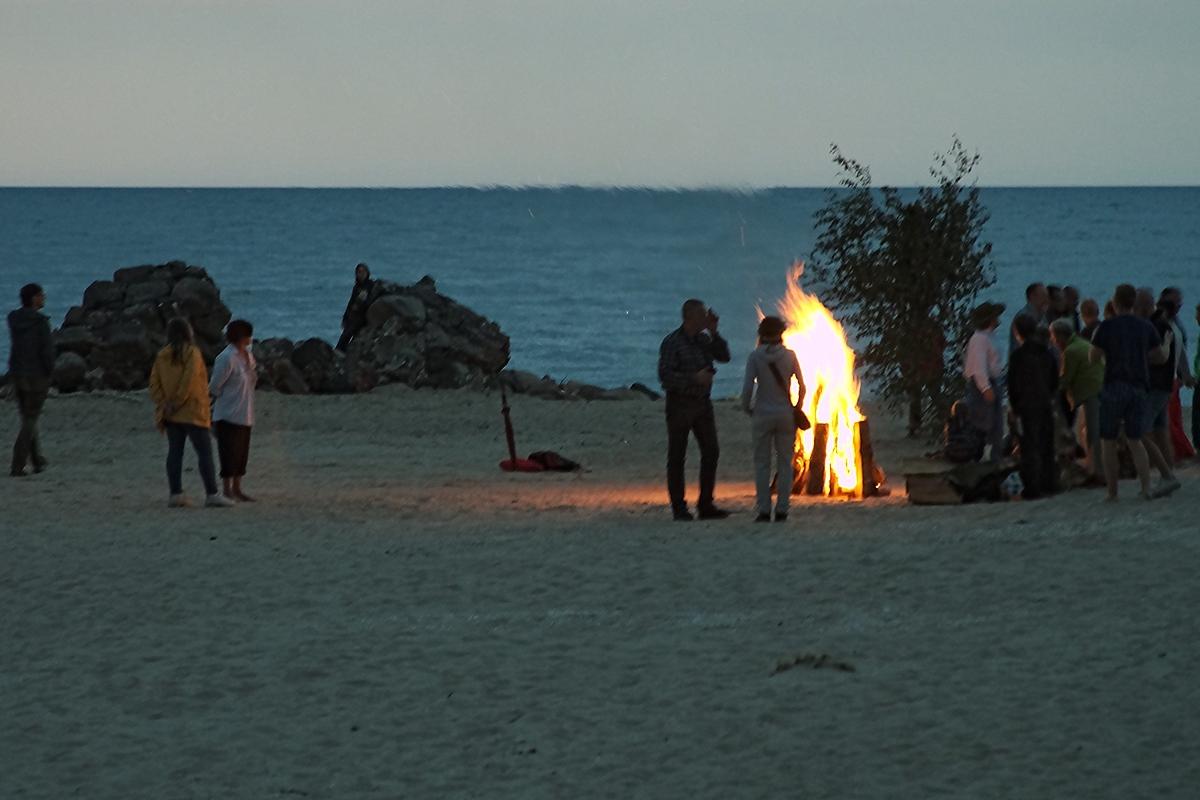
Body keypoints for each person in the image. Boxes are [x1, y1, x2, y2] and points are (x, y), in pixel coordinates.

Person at [1088, 284, 1179, 501]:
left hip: (1114, 385)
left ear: (1115, 302)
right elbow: (1160, 357)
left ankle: (1113, 493)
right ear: (1134, 303)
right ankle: (1146, 488)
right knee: (1136, 438)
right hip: (1139, 386)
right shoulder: (1145, 327)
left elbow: (1093, 358)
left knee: (1108, 440)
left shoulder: (1106, 327)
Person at [658, 298, 731, 521]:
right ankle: (679, 507)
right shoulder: (672, 342)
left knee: (711, 450)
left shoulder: (703, 340)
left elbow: (724, 357)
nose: (705, 318)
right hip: (680, 403)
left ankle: (706, 504)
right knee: (677, 455)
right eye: (701, 315)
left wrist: (714, 331)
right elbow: (665, 376)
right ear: (688, 317)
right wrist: (694, 378)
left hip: (703, 404)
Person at [149, 318, 234, 508]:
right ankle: (212, 493)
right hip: (192, 410)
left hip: (171, 413)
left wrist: (165, 403)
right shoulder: (192, 353)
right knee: (204, 452)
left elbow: (154, 383)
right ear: (189, 333)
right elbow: (189, 380)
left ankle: (175, 493)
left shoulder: (162, 355)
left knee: (175, 452)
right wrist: (178, 401)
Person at [741, 316, 804, 522]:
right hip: (785, 413)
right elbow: (802, 387)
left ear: (761, 334)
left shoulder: (755, 357)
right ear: (781, 334)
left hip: (762, 412)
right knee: (785, 462)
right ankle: (783, 509)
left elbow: (748, 387)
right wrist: (797, 407)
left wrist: (747, 408)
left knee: (762, 463)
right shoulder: (791, 356)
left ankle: (764, 509)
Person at [1008, 314, 1059, 499]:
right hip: (1045, 402)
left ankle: (1032, 487)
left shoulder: (1018, 356)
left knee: (1029, 446)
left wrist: (1014, 408)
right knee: (1046, 444)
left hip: (1026, 406)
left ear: (1017, 333)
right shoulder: (1046, 353)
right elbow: (1054, 379)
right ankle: (1049, 483)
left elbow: (1012, 384)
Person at [8, 283, 55, 477]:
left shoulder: (14, 319)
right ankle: (18, 464)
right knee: (30, 418)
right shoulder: (40, 322)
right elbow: (47, 351)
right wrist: (50, 372)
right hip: (36, 374)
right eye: (41, 295)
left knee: (27, 417)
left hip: (17, 373)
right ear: (34, 298)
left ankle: (37, 460)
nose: (44, 298)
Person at [209, 319, 257, 502]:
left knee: (241, 454)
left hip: (245, 412)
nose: (250, 338)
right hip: (228, 412)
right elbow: (214, 385)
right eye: (248, 335)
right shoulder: (227, 357)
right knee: (228, 452)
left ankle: (237, 488)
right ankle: (227, 489)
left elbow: (252, 377)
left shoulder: (248, 356)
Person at [1051, 319, 1104, 483]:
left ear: (1060, 337)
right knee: (1090, 432)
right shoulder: (1082, 343)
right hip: (1099, 389)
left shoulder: (1071, 351)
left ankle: (1098, 471)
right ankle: (1095, 467)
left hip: (1091, 393)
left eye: (1053, 338)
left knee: (1093, 434)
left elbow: (1065, 378)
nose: (1053, 342)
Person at [964, 301, 1006, 461]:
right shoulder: (979, 339)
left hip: (992, 382)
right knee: (985, 423)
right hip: (983, 386)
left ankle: (994, 457)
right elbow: (978, 367)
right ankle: (983, 457)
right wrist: (985, 388)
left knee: (995, 424)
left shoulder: (988, 337)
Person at [1158, 287, 1196, 460]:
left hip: (1170, 379)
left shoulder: (1173, 326)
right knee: (1171, 420)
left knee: (1172, 421)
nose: (1179, 305)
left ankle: (1184, 452)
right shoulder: (1168, 324)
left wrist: (1185, 375)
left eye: (1180, 301)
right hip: (1169, 378)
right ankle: (1181, 452)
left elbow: (1180, 353)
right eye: (1175, 301)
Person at [336, 263, 377, 351]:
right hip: (353, 317)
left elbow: (369, 301)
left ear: (367, 273)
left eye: (363, 271)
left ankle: (340, 351)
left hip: (362, 317)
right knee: (345, 336)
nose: (361, 274)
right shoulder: (357, 287)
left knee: (347, 335)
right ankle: (340, 352)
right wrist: (345, 317)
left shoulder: (370, 286)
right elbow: (351, 302)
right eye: (359, 272)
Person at [1009, 283, 1049, 359]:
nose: (1047, 300)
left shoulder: (1043, 317)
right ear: (1032, 296)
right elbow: (1016, 346)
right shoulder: (1022, 317)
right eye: (1043, 296)